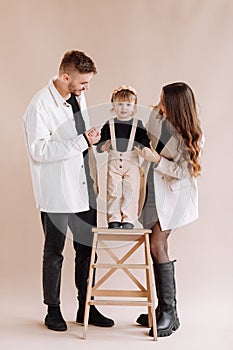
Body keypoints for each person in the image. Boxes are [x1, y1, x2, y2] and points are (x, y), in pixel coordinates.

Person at [23, 50, 114, 331]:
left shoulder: (77, 95)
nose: (87, 88)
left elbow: (80, 136)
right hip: (56, 191)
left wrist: (94, 141)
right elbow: (38, 150)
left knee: (87, 249)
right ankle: (53, 310)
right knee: (54, 252)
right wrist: (79, 142)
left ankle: (88, 306)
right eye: (83, 83)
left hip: (84, 184)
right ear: (65, 77)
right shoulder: (39, 106)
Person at [134, 82, 203, 337]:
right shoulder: (158, 118)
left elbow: (183, 173)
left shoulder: (192, 134)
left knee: (157, 245)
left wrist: (158, 160)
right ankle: (164, 310)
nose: (159, 103)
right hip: (154, 192)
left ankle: (169, 313)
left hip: (174, 198)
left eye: (163, 100)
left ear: (175, 104)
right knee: (154, 246)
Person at [96, 85, 150, 229]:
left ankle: (128, 218)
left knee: (130, 190)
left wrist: (144, 149)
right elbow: (101, 142)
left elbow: (144, 140)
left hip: (131, 161)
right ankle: (113, 218)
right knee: (112, 190)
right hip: (114, 160)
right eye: (120, 104)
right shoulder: (109, 124)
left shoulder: (137, 124)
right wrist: (102, 146)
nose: (124, 108)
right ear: (113, 105)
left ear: (134, 106)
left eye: (128, 104)